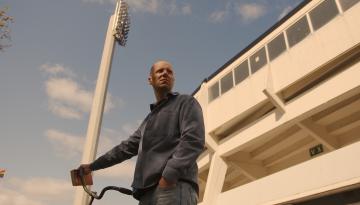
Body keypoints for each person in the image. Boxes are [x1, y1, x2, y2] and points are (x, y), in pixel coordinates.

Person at [78, 60, 205, 205]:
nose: (165, 73)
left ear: (173, 79)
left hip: (172, 188)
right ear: (150, 79)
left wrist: (168, 177)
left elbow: (193, 140)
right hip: (146, 194)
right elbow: (124, 149)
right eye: (160, 71)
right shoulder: (148, 120)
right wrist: (92, 166)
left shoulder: (185, 102)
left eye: (169, 71)